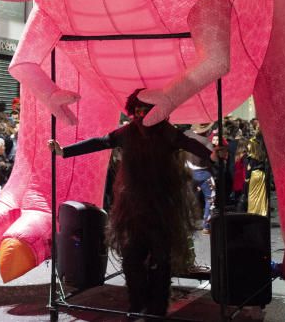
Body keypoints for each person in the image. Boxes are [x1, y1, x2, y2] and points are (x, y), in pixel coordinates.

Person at [49, 90, 221, 317]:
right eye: (137, 109)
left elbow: (188, 143)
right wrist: (64, 152)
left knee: (161, 260)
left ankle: (157, 308)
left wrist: (211, 155)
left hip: (162, 206)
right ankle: (137, 303)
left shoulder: (166, 133)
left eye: (146, 109)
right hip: (133, 207)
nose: (141, 114)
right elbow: (101, 142)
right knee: (132, 258)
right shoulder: (127, 132)